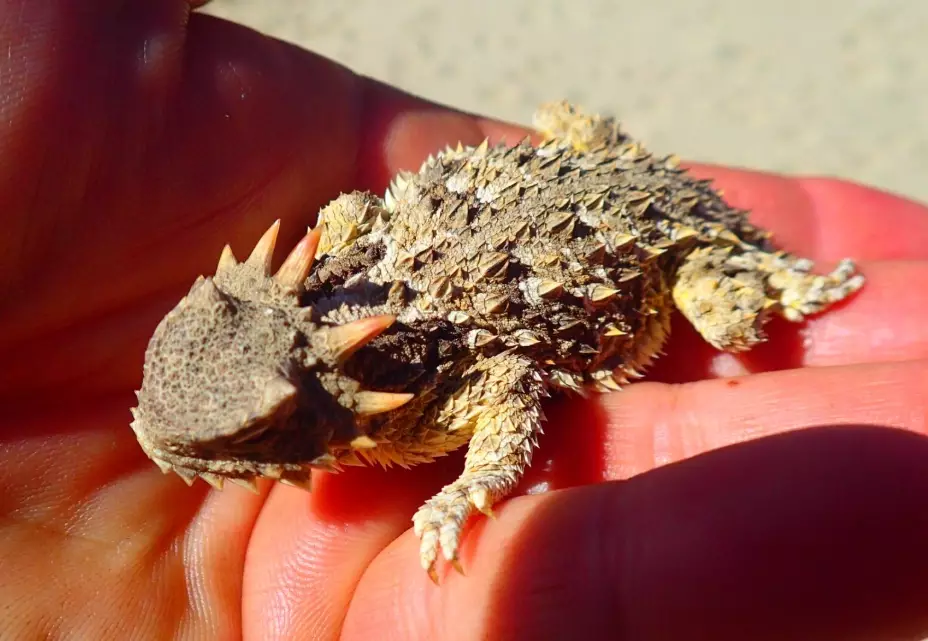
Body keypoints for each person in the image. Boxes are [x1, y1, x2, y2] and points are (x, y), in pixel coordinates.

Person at [2, 2, 928, 639]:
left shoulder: (412, 400)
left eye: (241, 434)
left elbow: (511, 386)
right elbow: (361, 219)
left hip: (638, 241)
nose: (167, 443)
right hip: (522, 183)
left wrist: (466, 488)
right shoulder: (331, 278)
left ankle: (770, 277)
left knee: (732, 326)